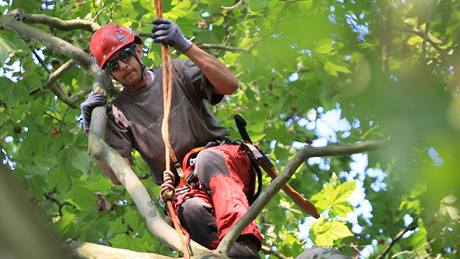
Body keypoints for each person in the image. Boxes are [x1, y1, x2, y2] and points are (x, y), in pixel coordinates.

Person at [80, 19, 261, 258]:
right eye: (113, 65)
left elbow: (229, 85)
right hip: (184, 188)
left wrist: (185, 45)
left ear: (137, 50)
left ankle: (244, 240)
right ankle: (230, 254)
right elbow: (116, 175)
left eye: (124, 56)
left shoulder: (175, 71)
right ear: (109, 73)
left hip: (224, 163)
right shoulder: (119, 112)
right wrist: (91, 129)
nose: (123, 66)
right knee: (188, 209)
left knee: (206, 159)